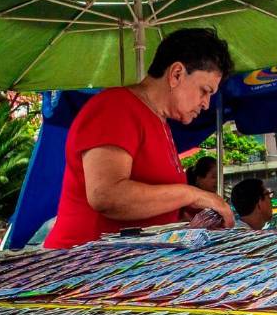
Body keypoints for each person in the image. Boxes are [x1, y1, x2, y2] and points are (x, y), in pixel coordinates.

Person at [45, 28, 235, 249]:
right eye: (204, 90)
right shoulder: (115, 107)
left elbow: (152, 204)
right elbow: (106, 196)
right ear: (176, 74)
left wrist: (187, 215)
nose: (206, 104)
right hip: (85, 263)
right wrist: (192, 195)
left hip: (131, 263)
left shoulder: (160, 122)